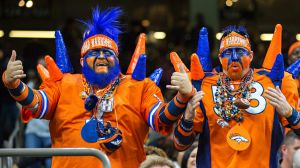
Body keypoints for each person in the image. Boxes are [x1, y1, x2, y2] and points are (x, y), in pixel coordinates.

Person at [2, 7, 194, 168]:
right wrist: (15, 85)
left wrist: (181, 98)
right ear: (82, 61)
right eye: (94, 52)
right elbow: (38, 103)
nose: (101, 56)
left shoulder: (140, 87)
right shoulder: (63, 84)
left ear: (116, 60)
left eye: (107, 52)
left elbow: (160, 117)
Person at [172, 25, 300, 167]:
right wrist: (188, 119)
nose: (234, 57)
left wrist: (290, 113)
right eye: (227, 52)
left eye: (240, 51)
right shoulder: (204, 86)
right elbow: (180, 145)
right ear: (220, 58)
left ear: (251, 56)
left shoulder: (277, 83)